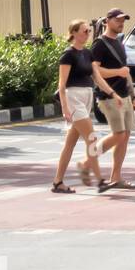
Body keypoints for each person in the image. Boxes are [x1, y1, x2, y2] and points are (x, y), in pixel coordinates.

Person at [51, 20, 109, 194]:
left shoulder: (87, 53)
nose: (88, 33)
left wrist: (112, 93)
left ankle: (57, 182)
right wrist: (65, 108)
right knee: (91, 138)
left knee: (70, 144)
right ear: (74, 33)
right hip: (73, 97)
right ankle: (100, 180)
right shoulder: (67, 55)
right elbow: (61, 84)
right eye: (84, 31)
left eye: (89, 31)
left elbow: (97, 78)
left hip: (86, 96)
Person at [91, 9, 135, 191]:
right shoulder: (100, 44)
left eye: (123, 20)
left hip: (124, 96)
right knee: (119, 134)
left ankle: (116, 177)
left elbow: (126, 73)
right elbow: (95, 72)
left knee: (125, 136)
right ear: (107, 21)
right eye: (118, 20)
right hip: (108, 97)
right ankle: (89, 158)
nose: (121, 23)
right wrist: (117, 73)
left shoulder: (119, 43)